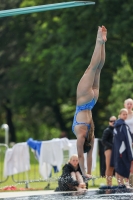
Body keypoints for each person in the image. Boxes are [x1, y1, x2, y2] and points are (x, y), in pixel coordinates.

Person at [72, 26, 107, 179]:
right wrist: (84, 172)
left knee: (98, 69)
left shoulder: (91, 135)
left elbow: (90, 157)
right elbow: (82, 157)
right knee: (92, 68)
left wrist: (88, 174)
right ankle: (99, 41)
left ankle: (103, 43)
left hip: (92, 101)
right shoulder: (81, 135)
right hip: (83, 100)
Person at [111, 108, 133, 186]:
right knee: (120, 166)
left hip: (125, 148)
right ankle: (120, 183)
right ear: (120, 115)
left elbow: (129, 136)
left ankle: (123, 183)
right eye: (123, 114)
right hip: (121, 149)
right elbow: (121, 138)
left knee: (123, 165)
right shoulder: (119, 125)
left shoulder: (124, 124)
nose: (125, 115)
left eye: (126, 114)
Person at [102, 116, 117, 186]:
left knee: (113, 167)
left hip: (115, 150)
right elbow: (103, 141)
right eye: (111, 121)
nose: (113, 122)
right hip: (109, 150)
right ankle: (108, 183)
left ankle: (112, 183)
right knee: (109, 167)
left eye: (114, 121)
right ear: (109, 122)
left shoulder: (117, 130)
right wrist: (112, 146)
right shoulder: (107, 130)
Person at [124, 98, 133, 186]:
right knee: (126, 160)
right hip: (126, 139)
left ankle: (132, 180)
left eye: (131, 104)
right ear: (125, 105)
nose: (129, 105)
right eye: (128, 104)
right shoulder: (123, 115)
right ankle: (127, 181)